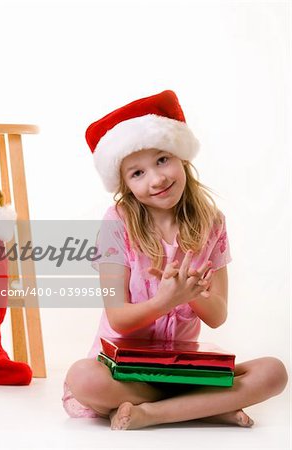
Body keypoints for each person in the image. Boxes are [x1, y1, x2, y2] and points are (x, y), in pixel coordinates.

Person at [62, 90, 288, 430]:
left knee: (274, 371)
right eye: (137, 173)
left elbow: (219, 316)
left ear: (181, 156)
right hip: (124, 373)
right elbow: (119, 318)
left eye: (162, 160)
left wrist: (191, 294)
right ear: (123, 184)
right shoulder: (117, 221)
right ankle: (205, 408)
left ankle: (150, 414)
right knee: (83, 377)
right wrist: (165, 300)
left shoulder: (212, 222)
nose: (157, 179)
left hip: (184, 371)